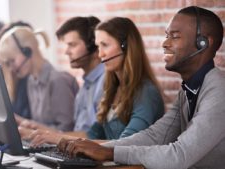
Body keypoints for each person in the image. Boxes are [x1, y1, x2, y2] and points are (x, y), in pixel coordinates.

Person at [58, 6, 225, 169]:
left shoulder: (218, 92)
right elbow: (155, 136)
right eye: (167, 35)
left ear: (203, 43)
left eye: (175, 36)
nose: (165, 43)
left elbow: (179, 155)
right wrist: (101, 149)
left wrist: (110, 153)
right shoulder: (188, 90)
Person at [24, 16, 165, 146]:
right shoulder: (113, 89)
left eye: (105, 45)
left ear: (125, 47)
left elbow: (124, 145)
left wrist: (59, 138)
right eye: (98, 47)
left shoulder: (146, 93)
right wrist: (51, 136)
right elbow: (91, 135)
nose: (100, 54)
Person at [17, 16, 105, 138]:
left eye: (72, 45)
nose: (66, 51)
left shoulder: (106, 82)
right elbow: (77, 133)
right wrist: (36, 130)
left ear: (94, 46)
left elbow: (98, 137)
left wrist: (37, 135)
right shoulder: (86, 84)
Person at [0, 27, 79, 131]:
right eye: (8, 63)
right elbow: (40, 125)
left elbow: (67, 131)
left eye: (12, 61)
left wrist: (30, 127)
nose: (11, 68)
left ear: (28, 51)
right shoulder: (31, 80)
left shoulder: (58, 80)